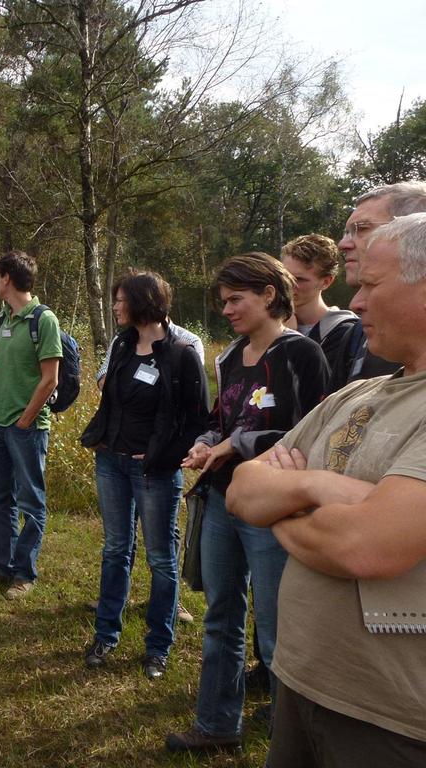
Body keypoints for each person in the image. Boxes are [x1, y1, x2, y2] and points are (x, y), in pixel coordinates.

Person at [229, 213, 426, 765]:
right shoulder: (358, 393)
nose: (356, 301)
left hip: (389, 719)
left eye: (370, 284)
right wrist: (319, 487)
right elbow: (244, 490)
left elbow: (364, 545)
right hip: (302, 685)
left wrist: (285, 501)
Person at [165, 253, 329, 754]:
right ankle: (217, 726)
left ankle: (291, 744)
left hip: (274, 507)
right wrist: (206, 442)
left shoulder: (301, 355)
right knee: (221, 616)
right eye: (224, 302)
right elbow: (223, 416)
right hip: (221, 501)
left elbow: (310, 434)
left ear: (269, 295)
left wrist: (235, 444)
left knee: (279, 630)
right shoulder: (232, 356)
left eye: (236, 300)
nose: (228, 310)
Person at [80, 270, 209, 679]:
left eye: (120, 300)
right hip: (111, 463)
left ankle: (158, 646)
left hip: (154, 471)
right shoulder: (121, 345)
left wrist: (161, 455)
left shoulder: (182, 353)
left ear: (142, 302)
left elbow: (196, 421)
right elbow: (110, 398)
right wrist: (103, 437)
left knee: (160, 558)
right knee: (116, 549)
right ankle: (105, 634)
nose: (115, 306)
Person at [0, 250, 62, 600]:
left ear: (8, 279)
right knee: (1, 498)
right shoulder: (2, 318)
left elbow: (50, 380)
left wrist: (25, 419)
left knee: (31, 501)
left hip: (26, 427)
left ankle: (24, 573)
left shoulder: (43, 320)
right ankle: (2, 566)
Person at [334, 182, 426, 386]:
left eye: (362, 229)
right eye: (347, 232)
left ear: (411, 228)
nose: (343, 244)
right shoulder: (357, 334)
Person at [280, 233, 358, 391]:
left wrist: (290, 337)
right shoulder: (267, 323)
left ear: (326, 282)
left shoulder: (344, 333)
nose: (289, 285)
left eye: (299, 279)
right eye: (284, 277)